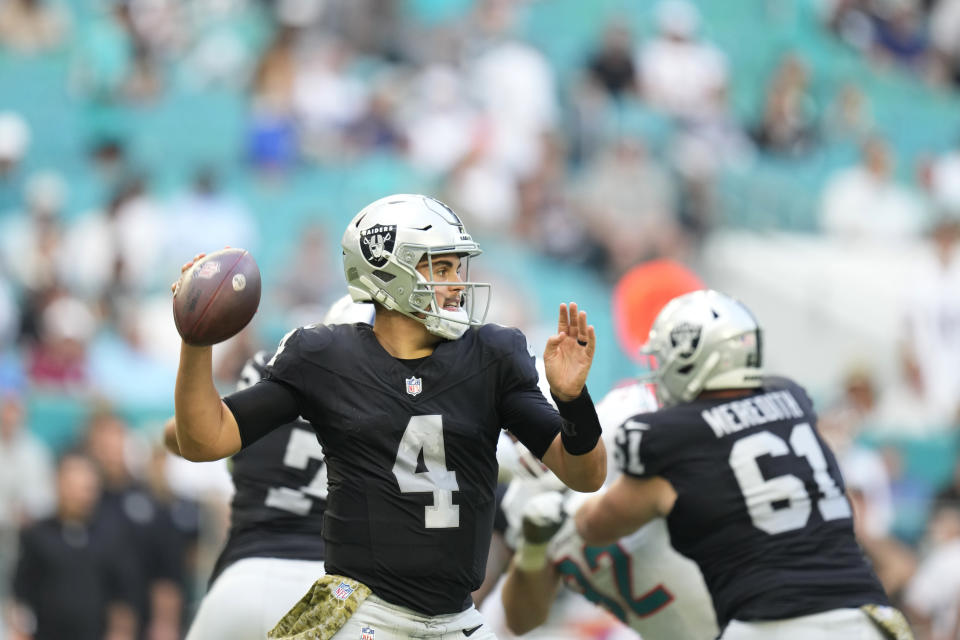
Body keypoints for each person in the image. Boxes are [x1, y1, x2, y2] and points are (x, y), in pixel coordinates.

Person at [171, 194, 607, 640]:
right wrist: (196, 343)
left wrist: (573, 400)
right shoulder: (326, 356)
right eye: (440, 268)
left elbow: (585, 474)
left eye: (458, 268)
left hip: (457, 618)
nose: (457, 283)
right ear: (387, 271)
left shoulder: (493, 355)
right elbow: (206, 440)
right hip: (363, 613)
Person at [573, 289, 912, 640]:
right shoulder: (790, 400)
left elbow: (594, 526)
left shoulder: (670, 435)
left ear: (691, 357)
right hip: (864, 619)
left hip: (771, 625)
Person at [167, 297, 374, 640]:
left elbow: (187, 436)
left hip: (242, 581)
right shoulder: (400, 402)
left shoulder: (270, 370)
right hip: (332, 594)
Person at [500, 380, 718, 639]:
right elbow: (521, 621)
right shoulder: (523, 500)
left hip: (736, 609)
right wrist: (532, 549)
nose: (521, 434)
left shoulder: (619, 420)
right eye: (507, 428)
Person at [10, 451, 137, 640]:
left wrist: (120, 633)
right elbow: (21, 594)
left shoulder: (112, 535)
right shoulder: (36, 534)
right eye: (74, 486)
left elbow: (123, 596)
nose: (83, 495)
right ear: (59, 484)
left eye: (88, 487)